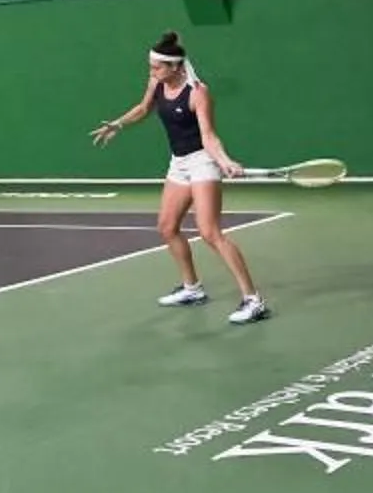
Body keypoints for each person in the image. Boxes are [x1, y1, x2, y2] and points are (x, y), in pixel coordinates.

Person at [92, 31, 269, 325]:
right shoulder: (157, 83)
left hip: (202, 162)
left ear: (175, 67)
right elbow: (143, 108)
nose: (152, 72)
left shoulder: (198, 92)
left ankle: (253, 300)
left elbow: (209, 136)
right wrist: (118, 124)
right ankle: (192, 289)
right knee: (166, 226)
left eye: (157, 67)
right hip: (179, 163)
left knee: (210, 232)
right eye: (150, 67)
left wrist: (224, 161)